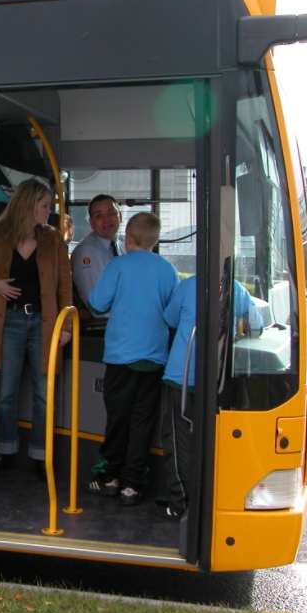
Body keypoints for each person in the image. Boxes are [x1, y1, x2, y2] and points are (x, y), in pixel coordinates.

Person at [0, 179, 72, 479]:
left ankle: (40, 456)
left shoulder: (53, 239)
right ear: (28, 206)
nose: (49, 212)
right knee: (5, 394)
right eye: (45, 206)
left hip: (44, 323)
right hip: (8, 321)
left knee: (43, 395)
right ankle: (5, 450)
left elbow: (64, 284)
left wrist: (67, 326)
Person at [86, 212, 179, 506]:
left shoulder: (118, 265)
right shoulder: (168, 271)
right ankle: (133, 485)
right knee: (143, 421)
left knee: (118, 418)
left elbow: (97, 303)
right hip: (154, 360)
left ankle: (109, 477)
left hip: (120, 358)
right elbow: (173, 314)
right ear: (156, 239)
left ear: (128, 237)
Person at [155, 277, 263, 520]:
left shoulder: (187, 287)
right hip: (217, 378)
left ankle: (179, 502)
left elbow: (169, 319)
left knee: (178, 440)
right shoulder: (238, 290)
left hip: (181, 375)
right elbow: (257, 326)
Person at [71, 195, 124, 317]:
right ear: (91, 222)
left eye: (111, 213)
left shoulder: (126, 244)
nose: (107, 219)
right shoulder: (86, 252)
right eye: (99, 216)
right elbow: (95, 307)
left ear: (119, 216)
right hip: (104, 327)